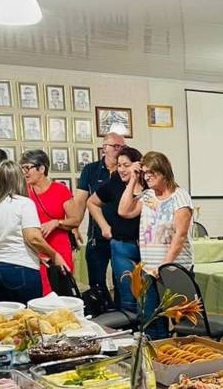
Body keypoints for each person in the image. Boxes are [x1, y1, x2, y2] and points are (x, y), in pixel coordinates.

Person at [119, 151, 193, 338]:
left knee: (182, 322)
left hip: (174, 269)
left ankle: (179, 355)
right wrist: (133, 180)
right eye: (144, 173)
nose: (147, 176)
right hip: (149, 269)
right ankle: (156, 353)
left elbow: (180, 235)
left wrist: (164, 265)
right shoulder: (148, 196)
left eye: (151, 172)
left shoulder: (180, 197)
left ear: (164, 172)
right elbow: (124, 211)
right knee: (149, 320)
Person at [0, 161, 69, 303]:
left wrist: (35, 255)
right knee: (28, 313)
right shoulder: (24, 203)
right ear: (20, 179)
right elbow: (33, 238)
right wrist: (54, 255)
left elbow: (7, 237)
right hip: (20, 268)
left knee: (5, 314)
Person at [87, 146, 143, 313]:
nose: (121, 169)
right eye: (119, 165)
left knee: (148, 295)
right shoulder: (115, 182)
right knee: (127, 295)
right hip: (122, 246)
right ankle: (130, 327)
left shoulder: (148, 183)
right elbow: (92, 202)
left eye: (126, 165)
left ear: (138, 165)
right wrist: (105, 227)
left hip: (148, 247)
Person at [20, 149, 81, 293]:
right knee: (39, 292)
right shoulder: (23, 192)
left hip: (59, 247)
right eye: (22, 168)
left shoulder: (60, 190)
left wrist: (56, 222)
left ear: (41, 169)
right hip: (34, 248)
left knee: (62, 290)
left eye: (27, 168)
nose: (24, 172)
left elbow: (75, 220)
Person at [74, 133, 125, 301]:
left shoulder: (126, 171)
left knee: (122, 281)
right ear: (104, 148)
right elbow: (80, 201)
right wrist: (74, 226)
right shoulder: (91, 170)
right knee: (97, 283)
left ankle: (122, 311)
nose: (119, 150)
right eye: (115, 146)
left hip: (122, 236)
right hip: (98, 235)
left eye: (122, 147)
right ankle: (103, 311)